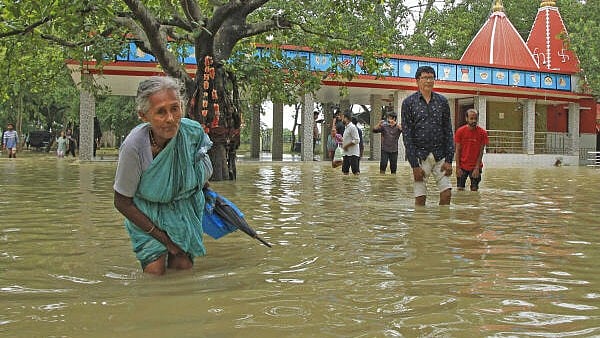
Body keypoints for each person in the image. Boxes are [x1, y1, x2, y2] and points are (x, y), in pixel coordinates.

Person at [113, 76, 213, 276]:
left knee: (183, 269)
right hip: (146, 212)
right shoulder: (134, 146)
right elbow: (122, 202)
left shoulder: (191, 133)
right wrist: (166, 241)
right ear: (144, 116)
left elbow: (199, 168)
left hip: (182, 209)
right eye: (160, 112)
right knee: (154, 271)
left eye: (175, 108)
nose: (170, 118)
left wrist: (200, 187)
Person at [401, 66, 454, 206]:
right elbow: (407, 135)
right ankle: (420, 226)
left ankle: (441, 226)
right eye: (425, 78)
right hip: (420, 157)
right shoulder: (408, 103)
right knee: (420, 198)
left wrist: (449, 160)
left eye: (431, 78)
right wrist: (414, 165)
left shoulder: (442, 102)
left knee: (447, 194)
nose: (428, 81)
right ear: (417, 80)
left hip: (440, 155)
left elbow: (448, 130)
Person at [454, 108, 489, 191]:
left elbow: (481, 152)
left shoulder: (483, 133)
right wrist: (458, 168)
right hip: (462, 166)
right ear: (466, 119)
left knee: (474, 190)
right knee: (460, 189)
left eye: (475, 118)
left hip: (475, 166)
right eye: (471, 118)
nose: (474, 121)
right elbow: (457, 150)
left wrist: (477, 168)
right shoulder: (460, 131)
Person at [341, 111, 360, 175]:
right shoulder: (346, 128)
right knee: (345, 172)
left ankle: (355, 185)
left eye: (343, 118)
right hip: (346, 154)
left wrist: (346, 146)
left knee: (355, 172)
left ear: (346, 118)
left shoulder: (352, 127)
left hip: (353, 154)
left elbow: (357, 140)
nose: (342, 119)